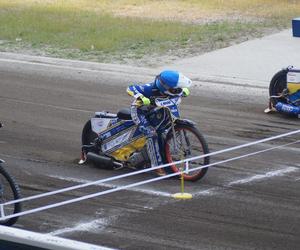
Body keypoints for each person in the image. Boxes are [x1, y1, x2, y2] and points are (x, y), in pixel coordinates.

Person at [126, 70, 192, 175]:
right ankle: (156, 166)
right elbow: (130, 88)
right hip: (140, 112)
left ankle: (165, 157)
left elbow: (182, 91)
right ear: (165, 87)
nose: (177, 91)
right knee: (152, 134)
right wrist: (141, 97)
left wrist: (183, 91)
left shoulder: (169, 89)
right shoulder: (149, 88)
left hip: (157, 111)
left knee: (164, 129)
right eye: (175, 90)